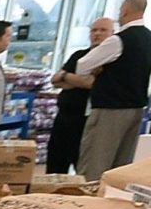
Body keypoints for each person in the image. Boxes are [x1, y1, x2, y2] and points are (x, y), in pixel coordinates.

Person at [68, 0, 151, 184]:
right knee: (121, 165)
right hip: (136, 108)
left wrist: (98, 68)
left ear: (125, 11)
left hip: (110, 108)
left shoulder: (118, 40)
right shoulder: (150, 38)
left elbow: (83, 65)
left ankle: (86, 203)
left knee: (95, 162)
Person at [44, 15, 113, 177]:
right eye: (94, 30)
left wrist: (67, 77)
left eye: (103, 30)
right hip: (63, 117)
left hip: (87, 121)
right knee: (55, 163)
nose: (97, 34)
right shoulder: (79, 55)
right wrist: (74, 78)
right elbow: (55, 79)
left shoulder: (111, 60)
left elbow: (91, 84)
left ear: (112, 34)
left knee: (82, 164)